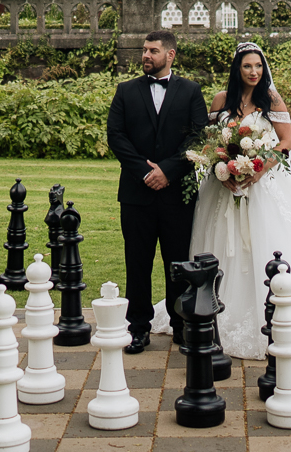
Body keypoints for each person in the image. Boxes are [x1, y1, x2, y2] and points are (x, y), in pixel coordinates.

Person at [187, 40, 291, 359]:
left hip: (265, 185)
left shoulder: (271, 98)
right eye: (247, 66)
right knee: (224, 246)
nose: (254, 71)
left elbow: (285, 141)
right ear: (237, 69)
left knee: (268, 244)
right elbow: (210, 143)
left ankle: (273, 313)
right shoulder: (220, 100)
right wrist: (222, 169)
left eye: (258, 65)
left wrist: (257, 168)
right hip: (225, 189)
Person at [106, 28, 208, 353]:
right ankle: (138, 328)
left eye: (152, 50)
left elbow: (198, 137)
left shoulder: (191, 91)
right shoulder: (125, 91)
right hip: (136, 194)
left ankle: (180, 326)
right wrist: (145, 172)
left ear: (170, 55)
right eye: (144, 50)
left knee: (177, 263)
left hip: (177, 194)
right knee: (137, 263)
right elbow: (116, 136)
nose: (146, 55)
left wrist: (168, 170)